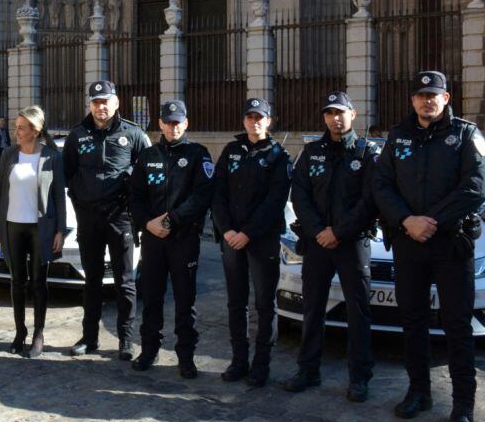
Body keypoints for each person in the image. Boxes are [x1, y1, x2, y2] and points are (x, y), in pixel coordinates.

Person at [373, 71, 485, 422]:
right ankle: (418, 392)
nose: (427, 101)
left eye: (433, 95)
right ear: (412, 100)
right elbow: (381, 184)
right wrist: (407, 220)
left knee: (456, 326)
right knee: (413, 321)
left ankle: (462, 407)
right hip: (409, 243)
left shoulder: (467, 136)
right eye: (421, 95)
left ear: (446, 97)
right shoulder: (398, 136)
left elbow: (475, 188)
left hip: (450, 244)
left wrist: (431, 221)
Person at [282, 92, 380, 402]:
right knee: (312, 308)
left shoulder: (367, 153)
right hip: (317, 242)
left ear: (353, 114)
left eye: (340, 112)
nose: (335, 118)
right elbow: (300, 195)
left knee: (358, 310)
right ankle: (308, 370)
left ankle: (359, 376)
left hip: (352, 242)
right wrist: (318, 231)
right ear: (324, 117)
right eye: (329, 113)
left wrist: (338, 232)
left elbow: (370, 200)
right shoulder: (311, 153)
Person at [63, 80, 151, 359]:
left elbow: (147, 174)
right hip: (89, 218)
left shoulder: (133, 134)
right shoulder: (77, 135)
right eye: (96, 102)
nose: (101, 107)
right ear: (89, 104)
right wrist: (80, 207)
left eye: (106, 101)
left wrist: (138, 213)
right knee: (93, 281)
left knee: (125, 281)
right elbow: (67, 176)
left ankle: (126, 339)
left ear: (116, 103)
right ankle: (90, 338)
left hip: (120, 218)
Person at [128, 100, 214, 378]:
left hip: (183, 238)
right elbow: (135, 196)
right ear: (161, 124)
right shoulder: (147, 155)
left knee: (184, 300)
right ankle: (149, 349)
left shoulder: (198, 154)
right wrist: (147, 223)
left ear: (186, 123)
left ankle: (186, 356)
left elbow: (202, 196)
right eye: (168, 122)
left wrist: (171, 220)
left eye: (178, 122)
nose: (173, 127)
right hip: (153, 238)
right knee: (151, 296)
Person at [212, 98, 292, 387]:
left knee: (264, 304)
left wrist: (248, 232)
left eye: (260, 117)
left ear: (269, 121)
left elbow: (275, 201)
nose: (254, 121)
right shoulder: (231, 151)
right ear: (244, 120)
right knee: (236, 303)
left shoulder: (278, 156)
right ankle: (239, 361)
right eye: (250, 117)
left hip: (261, 241)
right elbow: (217, 194)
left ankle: (261, 365)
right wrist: (227, 230)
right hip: (231, 241)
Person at [0, 106, 66, 358]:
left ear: (34, 131)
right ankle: (19, 331)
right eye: (16, 126)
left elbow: (59, 195)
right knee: (16, 282)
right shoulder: (8, 155)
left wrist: (60, 230)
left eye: (22, 128)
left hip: (41, 229)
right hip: (13, 226)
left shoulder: (51, 157)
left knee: (38, 282)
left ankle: (38, 333)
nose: (16, 132)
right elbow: (0, 191)